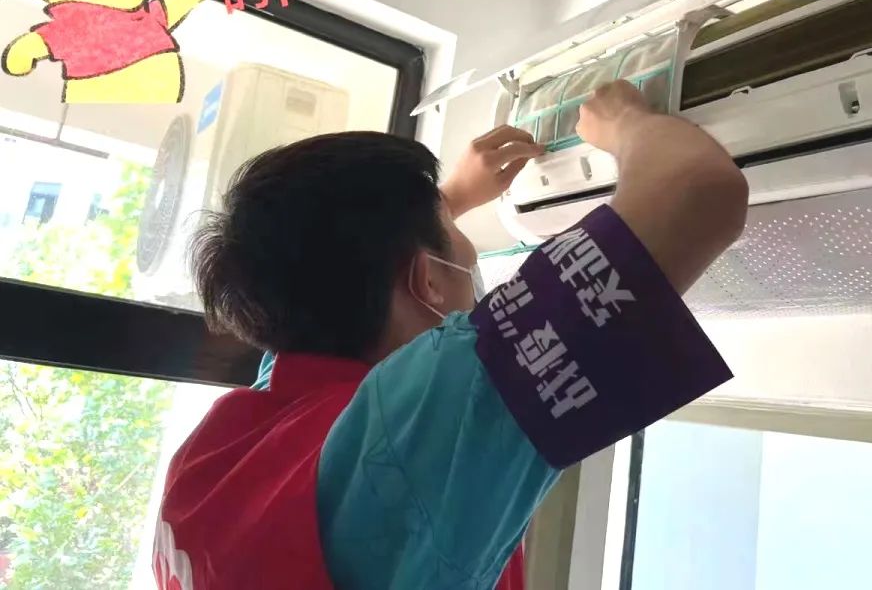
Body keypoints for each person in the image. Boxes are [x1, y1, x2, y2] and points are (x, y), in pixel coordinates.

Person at [151, 80, 749, 590]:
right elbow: (696, 187)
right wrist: (625, 121)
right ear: (429, 280)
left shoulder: (224, 449)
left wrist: (447, 203)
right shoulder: (404, 435)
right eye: (458, 244)